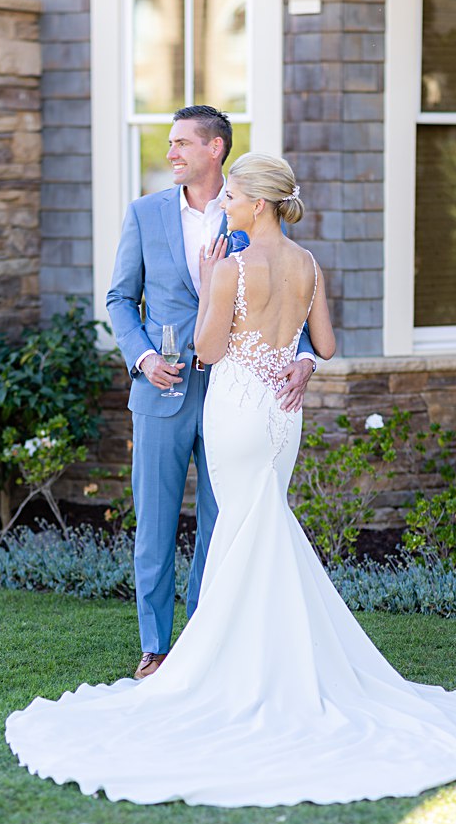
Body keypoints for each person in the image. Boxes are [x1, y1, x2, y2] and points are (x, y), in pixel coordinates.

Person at [5, 153, 456, 806]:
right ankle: (272, 662)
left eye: (235, 196)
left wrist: (215, 278)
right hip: (281, 417)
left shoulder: (234, 267)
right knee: (258, 526)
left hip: (238, 408)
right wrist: (291, 356)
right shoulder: (307, 265)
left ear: (259, 204)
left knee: (242, 531)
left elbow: (208, 351)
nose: (226, 205)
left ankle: (230, 671)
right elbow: (322, 348)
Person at [105, 105, 317, 680]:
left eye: (181, 143)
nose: (170, 152)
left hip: (237, 396)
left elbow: (289, 293)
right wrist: (144, 358)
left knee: (225, 523)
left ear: (215, 149)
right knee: (155, 521)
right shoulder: (144, 214)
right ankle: (155, 647)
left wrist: (303, 358)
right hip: (163, 389)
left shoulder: (251, 206)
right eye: (170, 143)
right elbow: (119, 299)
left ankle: (206, 643)